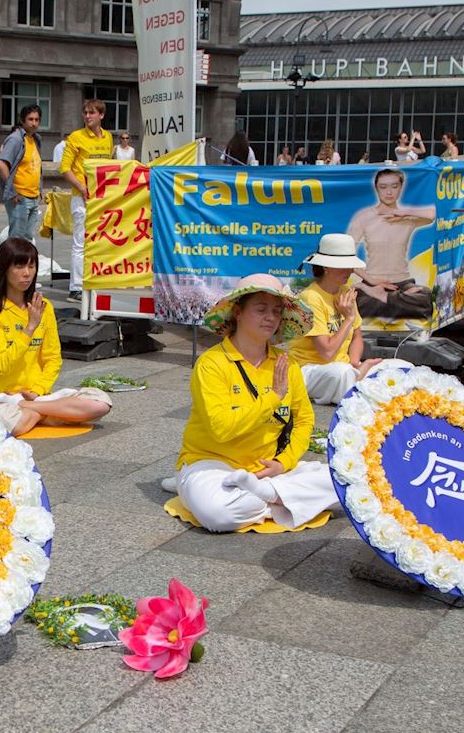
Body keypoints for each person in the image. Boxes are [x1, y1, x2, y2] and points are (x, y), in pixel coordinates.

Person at [175, 274, 337, 533]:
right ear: (238, 312)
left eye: (276, 311)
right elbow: (221, 429)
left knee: (348, 483)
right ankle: (280, 498)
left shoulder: (286, 363)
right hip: (212, 464)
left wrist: (283, 462)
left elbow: (304, 420)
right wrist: (273, 397)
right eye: (261, 309)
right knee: (219, 514)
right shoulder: (211, 363)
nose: (270, 317)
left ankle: (267, 493)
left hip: (267, 469)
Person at [0, 238, 112, 436]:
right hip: (2, 398)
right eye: (19, 266)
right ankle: (53, 413)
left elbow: (53, 358)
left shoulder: (44, 307)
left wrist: (38, 390)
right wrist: (30, 328)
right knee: (15, 424)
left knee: (100, 404)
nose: (27, 273)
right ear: (4, 269)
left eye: (31, 266)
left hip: (37, 396)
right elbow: (2, 364)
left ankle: (35, 410)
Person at [289, 236, 388, 404]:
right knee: (342, 373)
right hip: (311, 368)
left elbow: (357, 336)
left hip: (345, 367)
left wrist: (355, 363)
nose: (350, 271)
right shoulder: (311, 297)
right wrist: (348, 318)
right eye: (344, 267)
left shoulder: (346, 291)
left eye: (351, 266)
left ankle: (358, 378)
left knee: (396, 367)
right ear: (326, 267)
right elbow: (327, 353)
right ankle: (357, 384)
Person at [345, 169, 436, 320]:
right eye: (383, 187)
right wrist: (371, 282)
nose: (389, 192)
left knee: (425, 297)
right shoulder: (364, 217)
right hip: (372, 284)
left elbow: (433, 214)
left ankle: (386, 299)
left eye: (394, 186)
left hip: (403, 284)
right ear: (376, 188)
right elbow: (345, 254)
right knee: (357, 302)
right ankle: (395, 302)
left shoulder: (407, 218)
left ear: (401, 187)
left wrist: (405, 212)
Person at [60, 99, 113, 301]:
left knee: (99, 242)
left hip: (101, 198)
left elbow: (109, 166)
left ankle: (94, 281)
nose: (88, 116)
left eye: (92, 113)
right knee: (80, 243)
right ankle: (76, 288)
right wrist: (82, 188)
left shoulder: (108, 137)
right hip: (81, 198)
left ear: (101, 115)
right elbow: (64, 168)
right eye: (85, 113)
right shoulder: (76, 137)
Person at [0, 105, 45, 242]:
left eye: (37, 120)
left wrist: (39, 191)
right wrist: (13, 192)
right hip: (20, 197)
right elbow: (1, 163)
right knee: (17, 239)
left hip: (34, 197)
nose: (34, 123)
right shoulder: (16, 139)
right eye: (30, 119)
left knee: (28, 238)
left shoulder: (36, 139)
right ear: (22, 120)